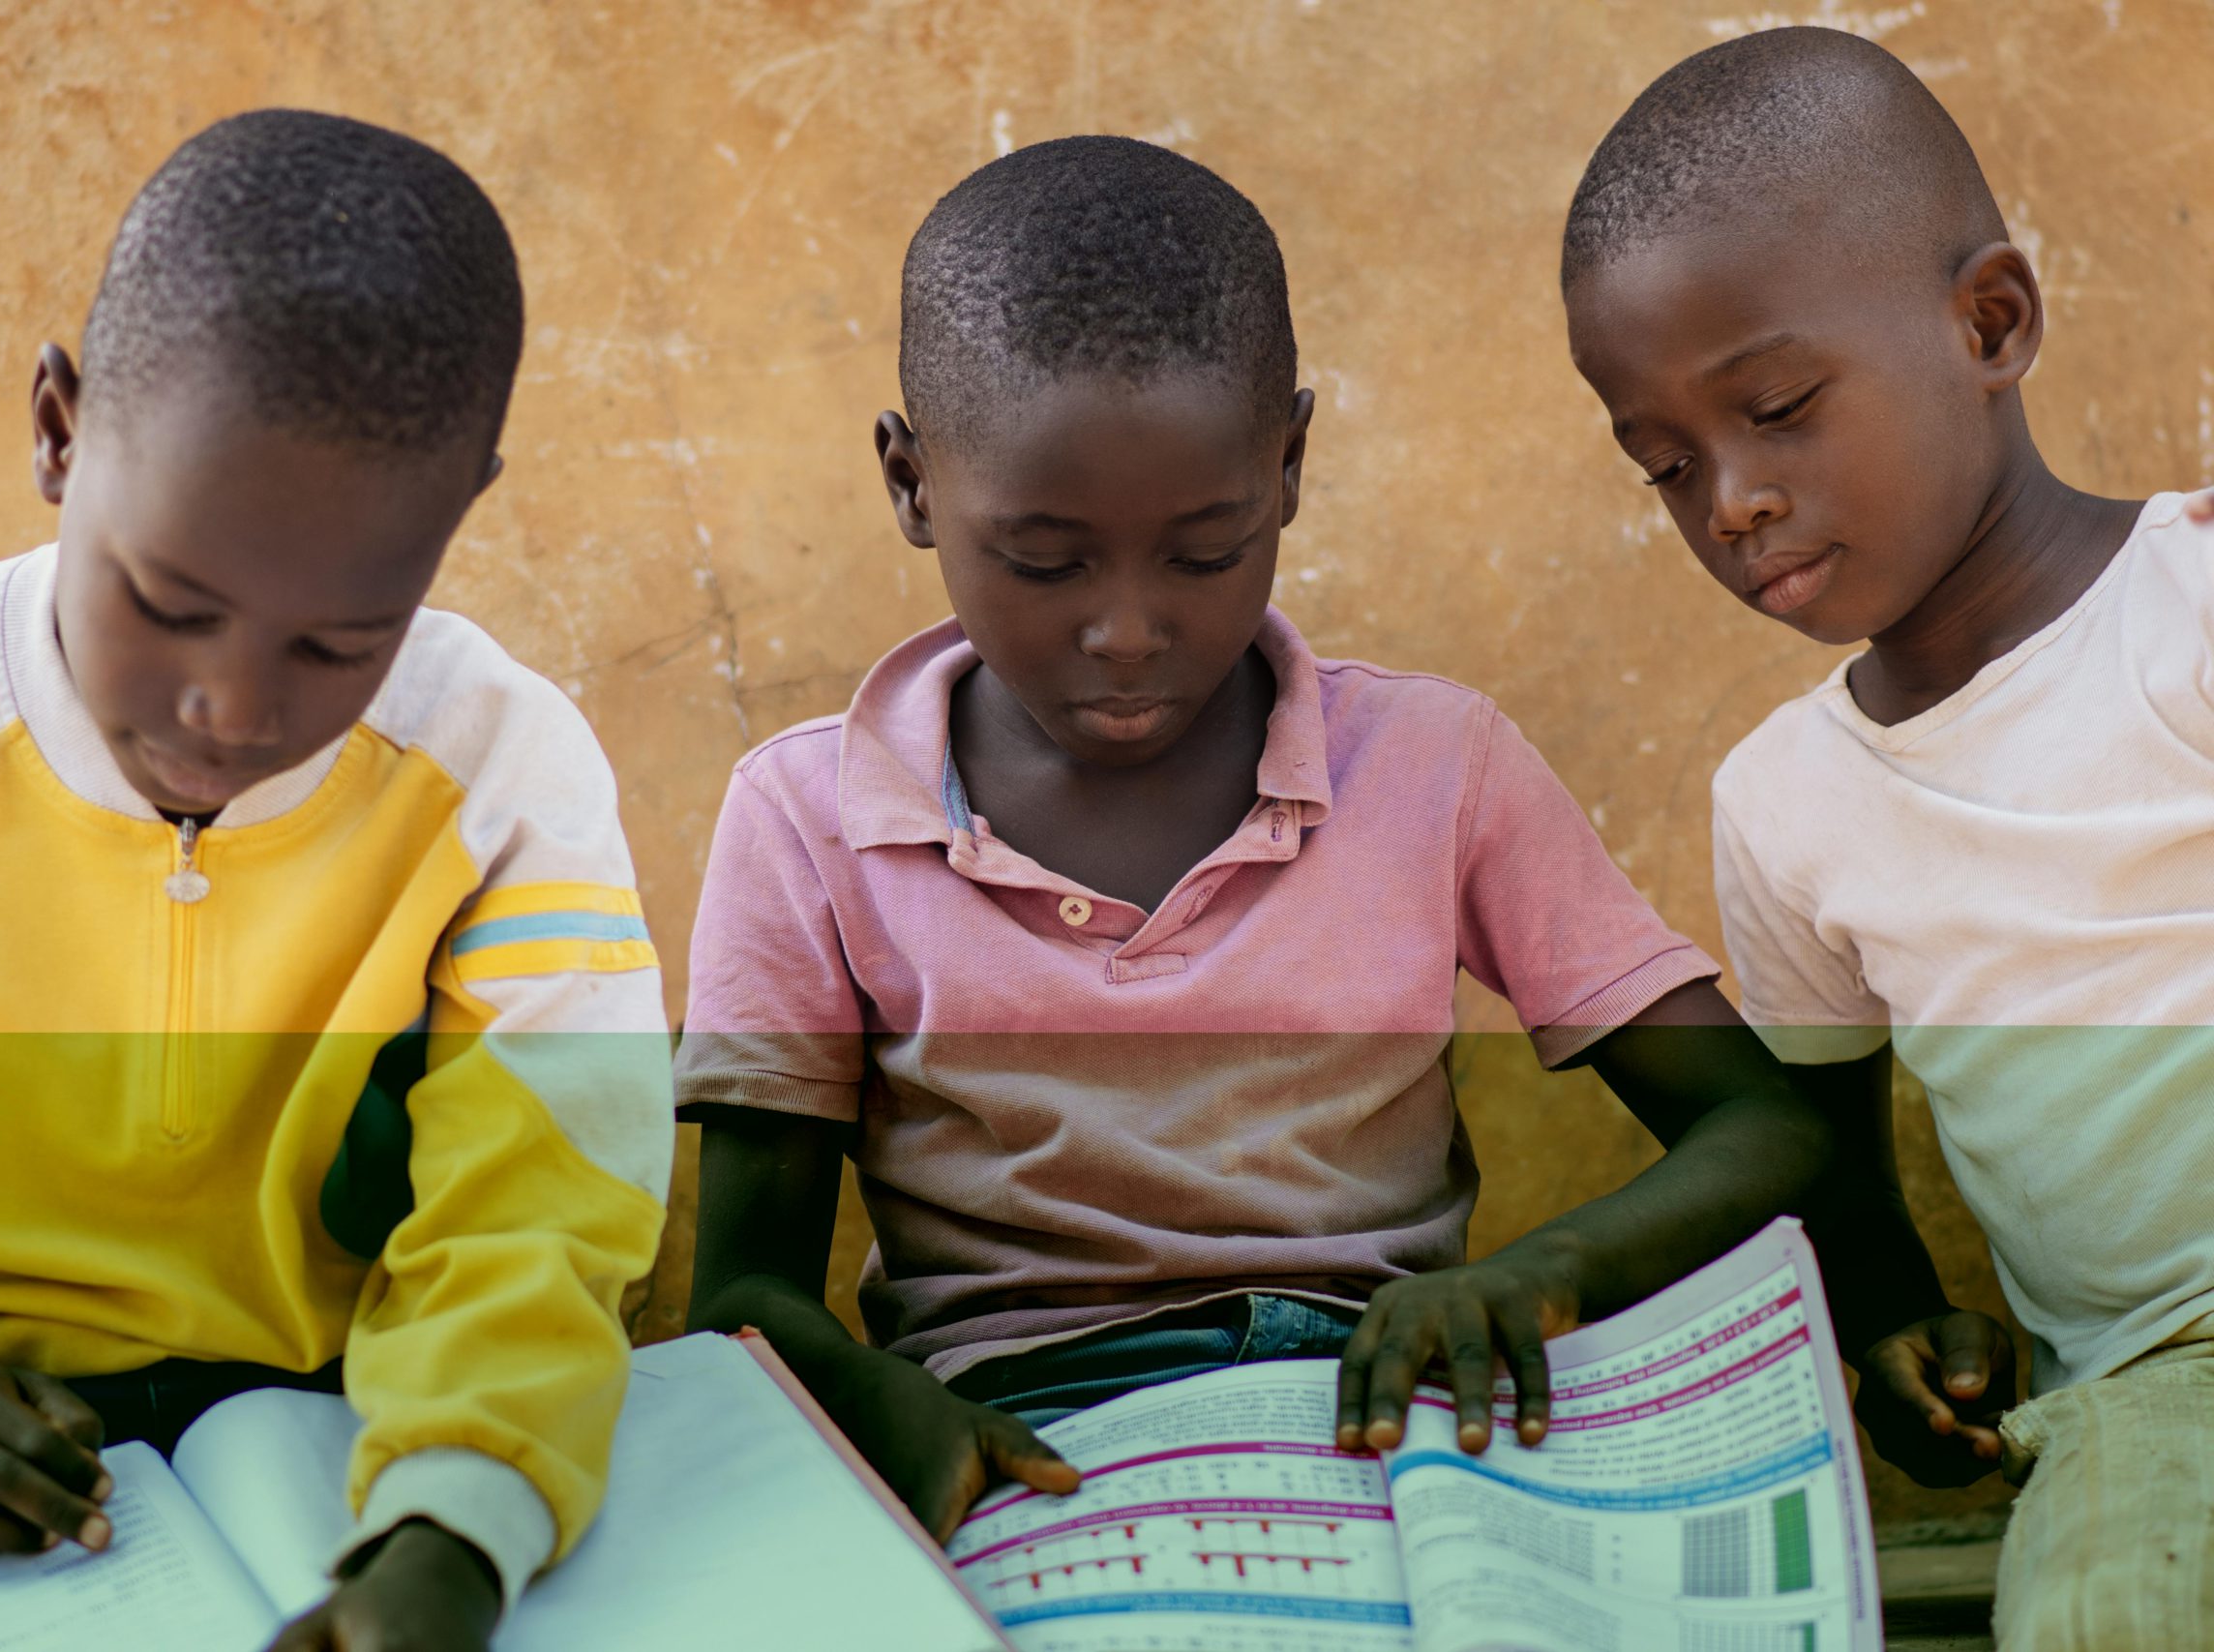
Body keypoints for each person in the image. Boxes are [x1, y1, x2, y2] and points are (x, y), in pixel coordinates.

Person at [679, 134, 1834, 1543]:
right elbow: (743, 1295)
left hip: (1389, 1405)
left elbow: (1762, 1124)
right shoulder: (807, 819)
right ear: (913, 485)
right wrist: (879, 1405)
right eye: (1044, 562)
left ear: (1287, 464)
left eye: (1205, 553)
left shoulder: (1434, 764)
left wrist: (1542, 1274)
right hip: (1017, 1434)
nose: (1127, 630)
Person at [0, 110, 672, 1652]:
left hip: (367, 1448)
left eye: (338, 646)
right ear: (58, 429)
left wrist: (457, 1527)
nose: (232, 711)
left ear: (460, 509)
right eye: (170, 605)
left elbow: (545, 1211)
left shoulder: (502, 770)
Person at [1562, 28, 2214, 1648]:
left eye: (1779, 409)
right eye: (1667, 466)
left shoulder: (2190, 607)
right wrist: (1894, 1325)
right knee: (2107, 1620)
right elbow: (1828, 1150)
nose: (1731, 499)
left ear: (1989, 324)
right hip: (2156, 1387)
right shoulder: (1790, 802)